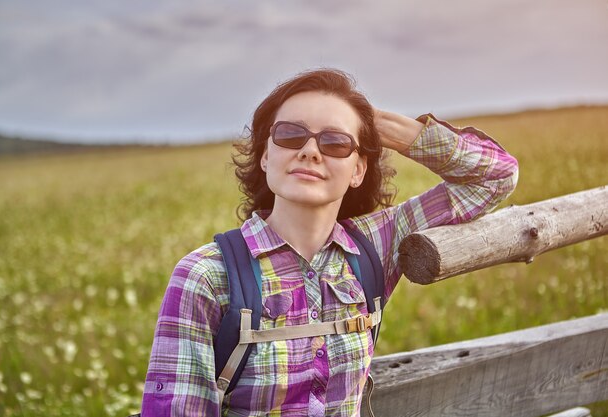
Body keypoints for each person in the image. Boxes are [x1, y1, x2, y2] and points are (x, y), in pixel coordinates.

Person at [140, 68, 519, 416]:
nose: (310, 150)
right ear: (266, 155)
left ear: (358, 169)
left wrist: (386, 127)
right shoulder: (206, 275)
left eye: (335, 142)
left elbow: (495, 177)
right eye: (290, 134)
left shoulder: (375, 247)